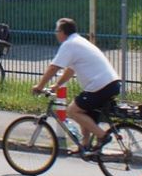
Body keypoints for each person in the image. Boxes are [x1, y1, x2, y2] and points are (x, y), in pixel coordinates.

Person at [31, 17, 121, 156]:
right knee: (83, 111)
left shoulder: (69, 44)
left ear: (62, 32)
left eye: (57, 31)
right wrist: (57, 85)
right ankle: (85, 145)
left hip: (100, 86)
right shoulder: (78, 41)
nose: (56, 34)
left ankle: (103, 136)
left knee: (72, 111)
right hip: (109, 84)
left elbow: (54, 67)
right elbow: (71, 69)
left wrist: (40, 86)